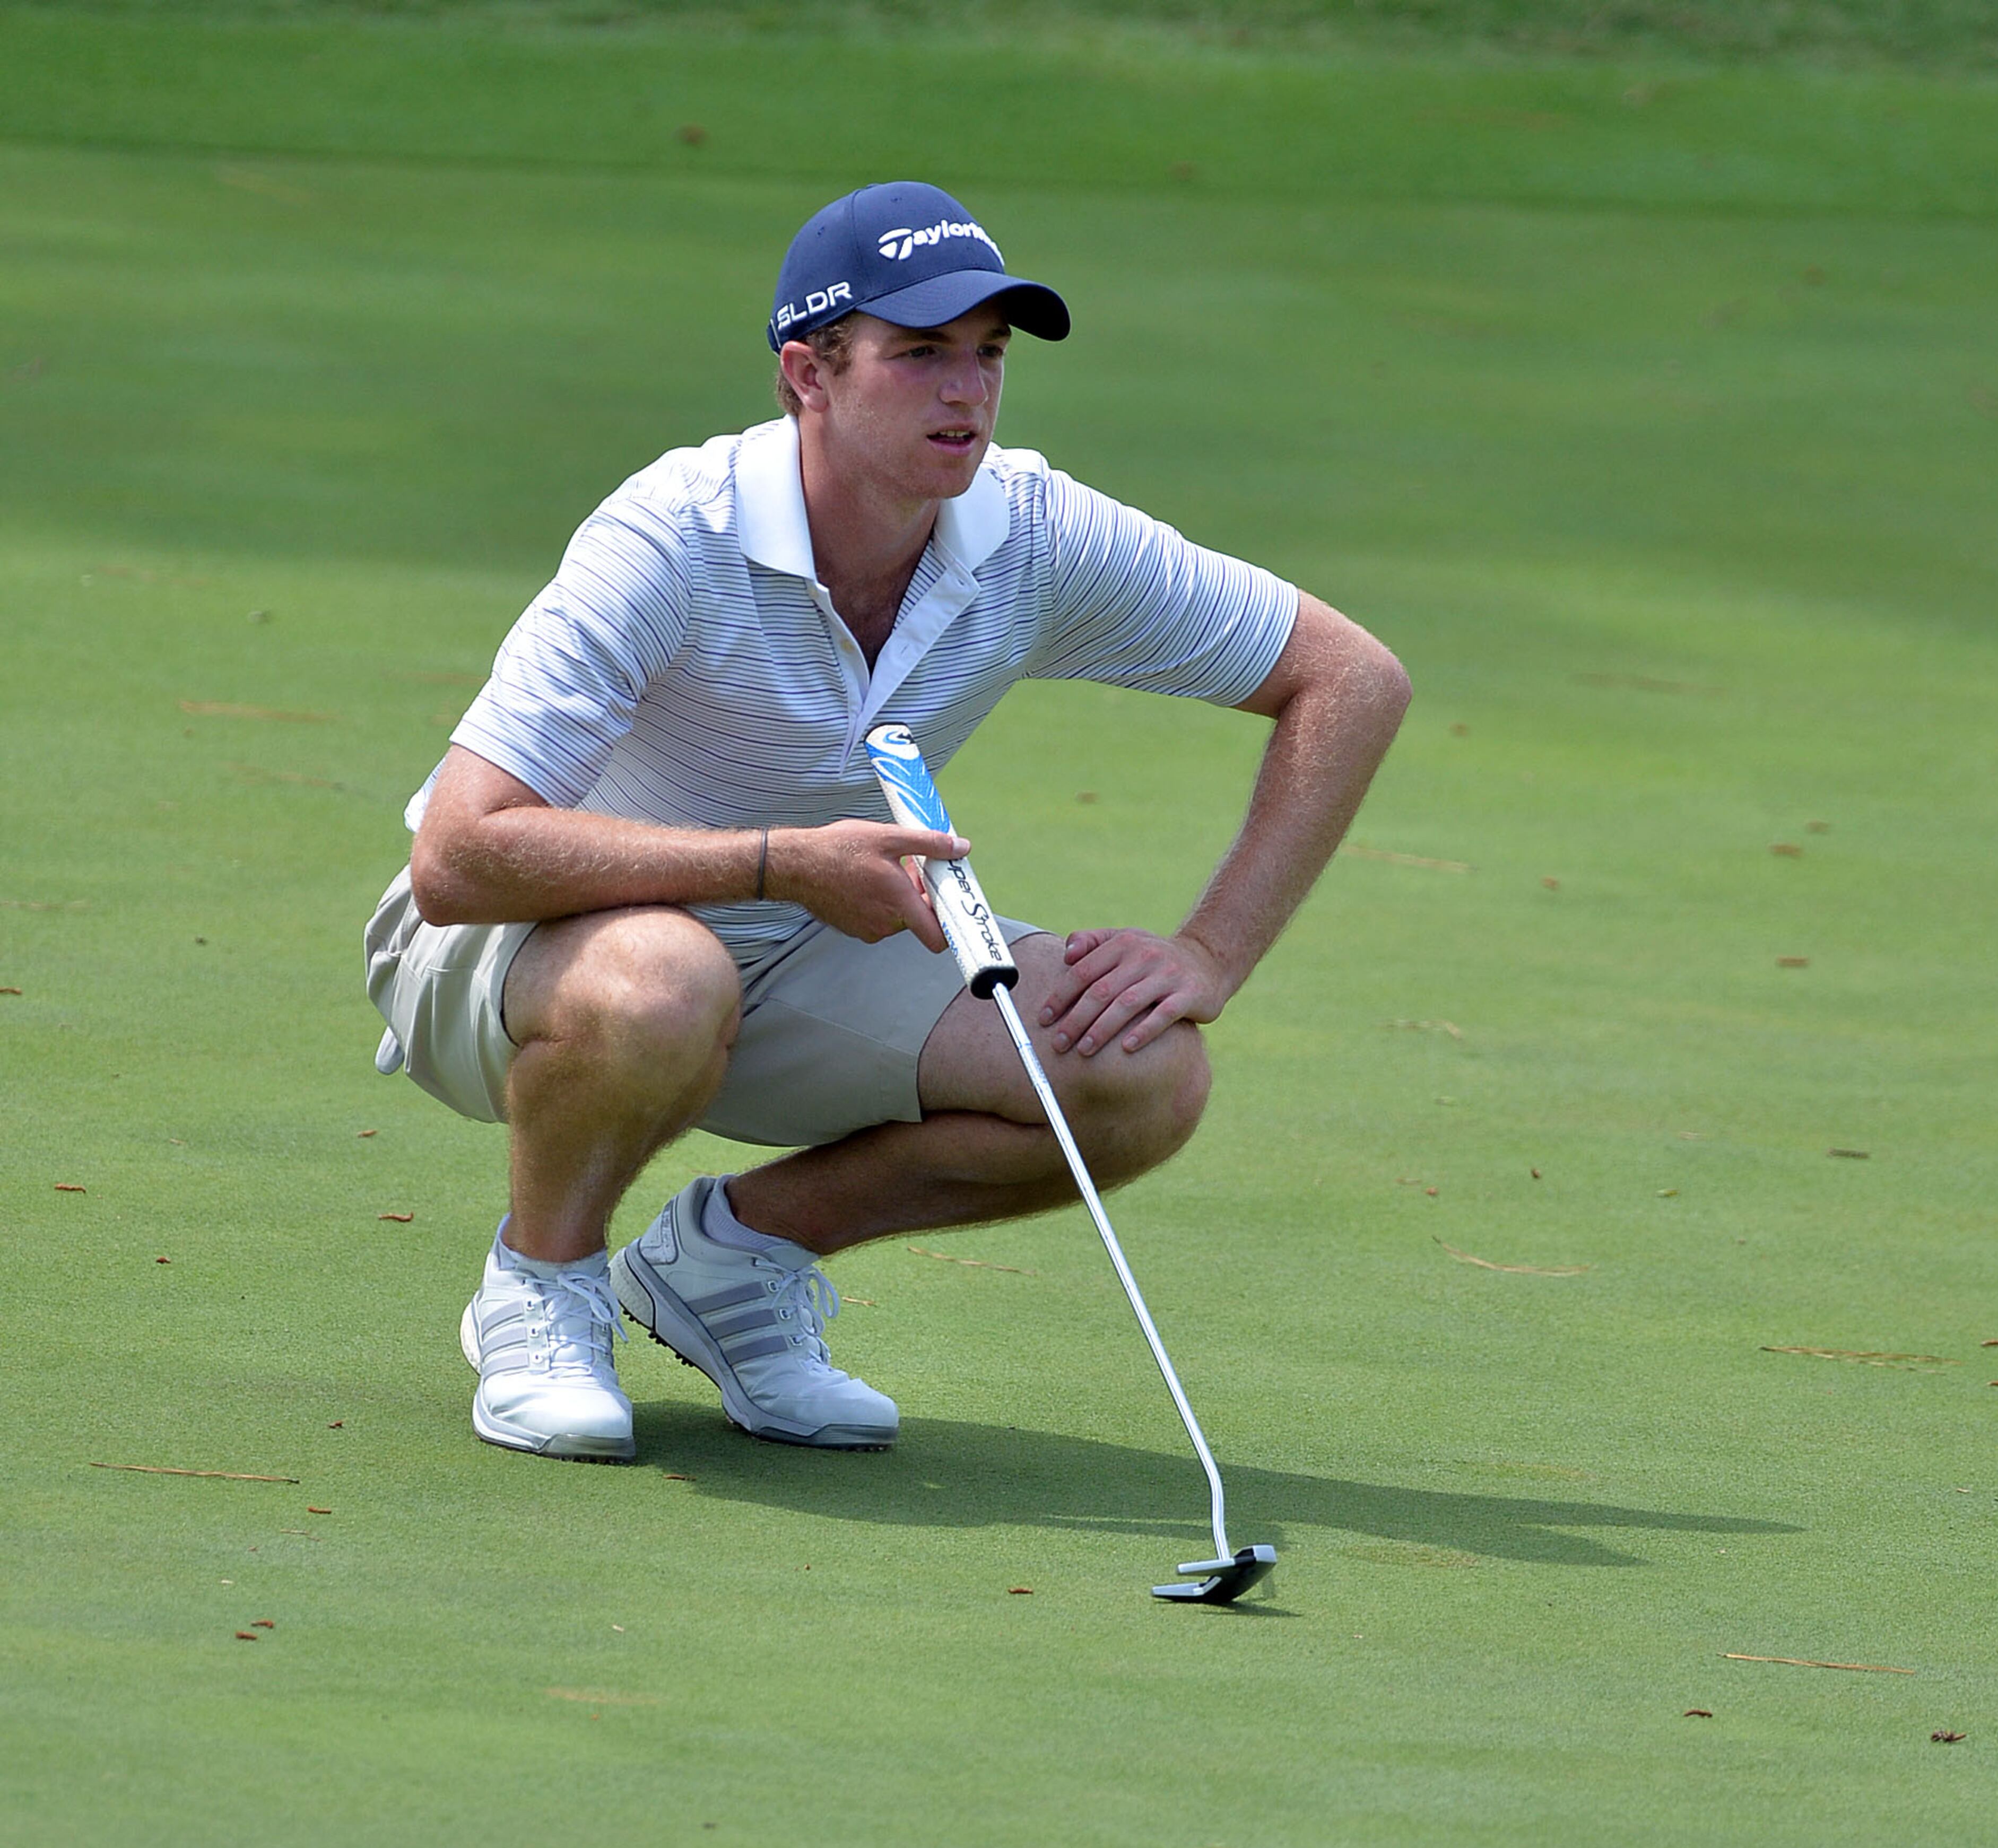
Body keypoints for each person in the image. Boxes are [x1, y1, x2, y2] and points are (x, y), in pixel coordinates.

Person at [364, 179, 1409, 1465]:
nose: (966, 392)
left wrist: (1212, 953)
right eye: (920, 356)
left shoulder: (1027, 531)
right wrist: (777, 864)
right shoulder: (672, 533)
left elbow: (1350, 677)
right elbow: (459, 855)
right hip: (509, 950)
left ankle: (733, 1261)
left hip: (792, 943)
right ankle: (542, 1283)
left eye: (988, 355)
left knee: (1141, 1075)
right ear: (809, 373)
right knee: (662, 979)